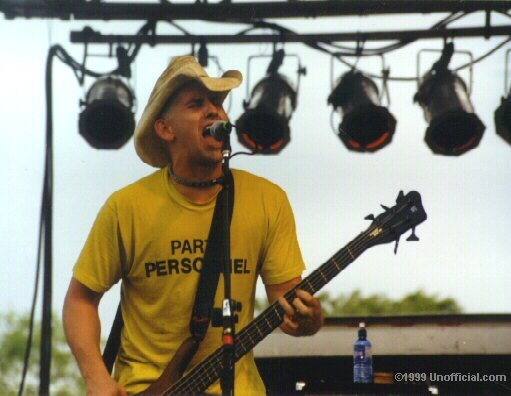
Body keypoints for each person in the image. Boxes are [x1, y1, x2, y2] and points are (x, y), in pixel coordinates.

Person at [63, 55, 323, 395]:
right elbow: (80, 300)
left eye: (217, 102)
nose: (214, 111)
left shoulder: (267, 199)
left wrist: (309, 319)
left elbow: (287, 304)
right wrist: (96, 376)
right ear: (165, 128)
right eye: (197, 104)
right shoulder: (126, 207)